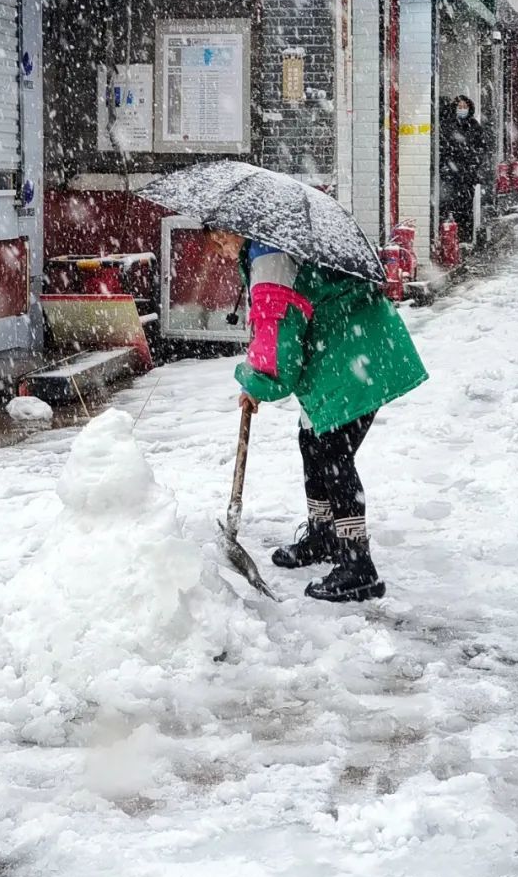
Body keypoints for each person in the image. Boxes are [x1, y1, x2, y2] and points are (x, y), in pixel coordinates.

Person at [208, 230, 428, 604]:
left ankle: (358, 567)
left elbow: (280, 343)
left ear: (236, 230)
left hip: (354, 357)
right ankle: (324, 534)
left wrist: (256, 381)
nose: (219, 248)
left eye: (219, 238)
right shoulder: (271, 246)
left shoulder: (270, 259)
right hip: (353, 346)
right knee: (313, 442)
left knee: (332, 454)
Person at [440, 95, 487, 243]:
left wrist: (473, 164)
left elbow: (482, 148)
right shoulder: (448, 125)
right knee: (450, 206)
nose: (462, 110)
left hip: (468, 175)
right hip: (451, 176)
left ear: (469, 108)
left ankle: (465, 239)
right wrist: (449, 166)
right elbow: (444, 149)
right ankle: (451, 241)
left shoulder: (474, 125)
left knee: (466, 208)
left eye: (464, 107)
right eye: (459, 107)